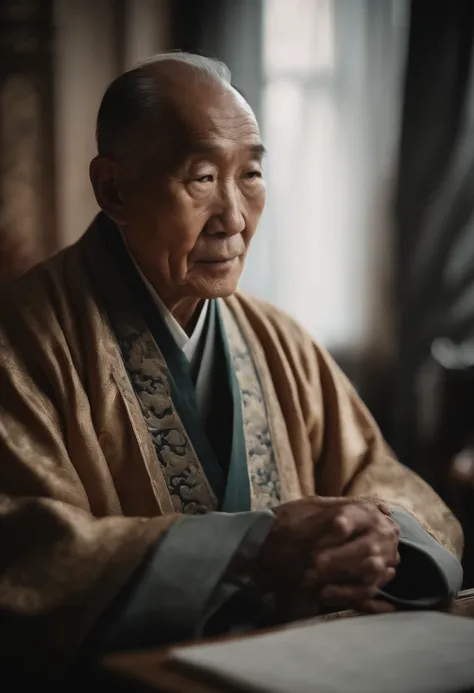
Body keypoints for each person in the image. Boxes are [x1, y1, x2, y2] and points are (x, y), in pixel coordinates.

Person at [0, 53, 463, 681]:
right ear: (113, 188)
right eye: (200, 178)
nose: (234, 218)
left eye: (250, 174)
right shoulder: (25, 340)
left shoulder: (278, 338)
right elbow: (26, 558)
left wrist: (378, 538)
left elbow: (385, 479)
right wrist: (255, 547)